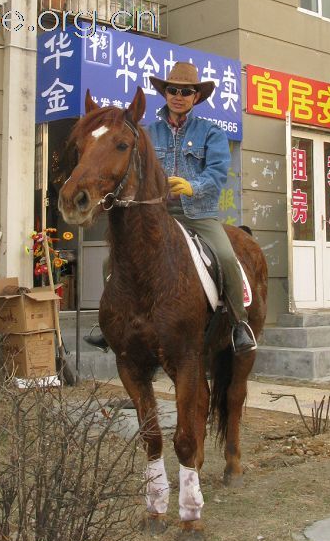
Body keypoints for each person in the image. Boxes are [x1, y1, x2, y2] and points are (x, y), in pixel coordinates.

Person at [84, 62, 257, 354]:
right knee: (109, 263)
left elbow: (217, 173)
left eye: (186, 91)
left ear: (196, 97)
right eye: (172, 90)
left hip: (198, 215)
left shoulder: (210, 132)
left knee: (227, 257)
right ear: (165, 93)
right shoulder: (147, 133)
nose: (179, 95)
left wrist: (193, 186)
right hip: (158, 215)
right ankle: (113, 325)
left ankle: (239, 325)